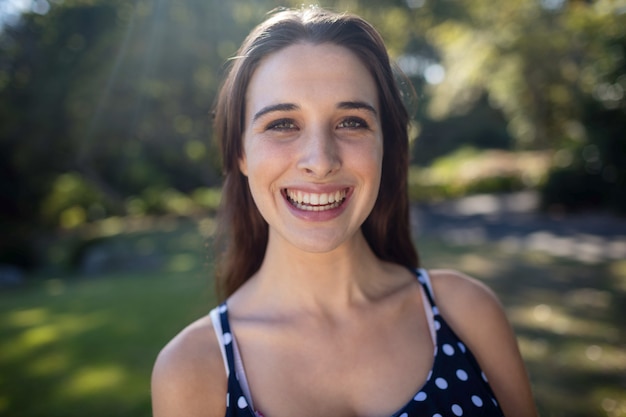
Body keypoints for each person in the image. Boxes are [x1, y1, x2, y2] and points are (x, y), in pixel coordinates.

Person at [151, 7, 537, 417]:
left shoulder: (466, 311)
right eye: (283, 124)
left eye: (351, 122)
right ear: (240, 153)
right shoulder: (192, 370)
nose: (320, 161)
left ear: (385, 146)